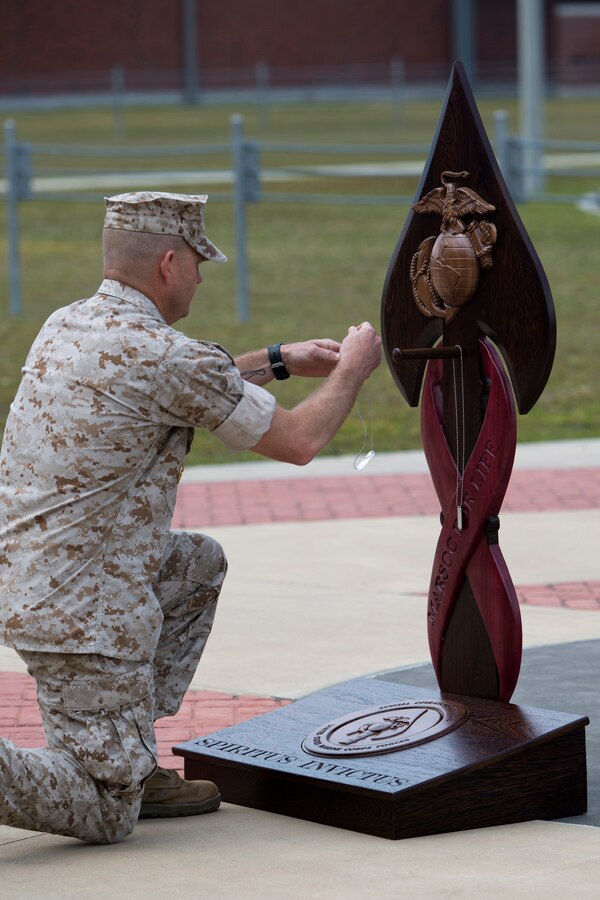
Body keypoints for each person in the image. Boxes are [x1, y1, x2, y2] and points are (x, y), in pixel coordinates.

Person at [0, 191, 381, 844]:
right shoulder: (165, 356)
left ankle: (131, 758)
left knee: (196, 565)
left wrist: (280, 359)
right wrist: (352, 370)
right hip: (85, 613)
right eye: (199, 265)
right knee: (104, 810)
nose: (203, 279)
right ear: (169, 265)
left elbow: (180, 388)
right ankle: (117, 776)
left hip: (33, 582)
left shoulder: (71, 324)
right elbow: (298, 442)